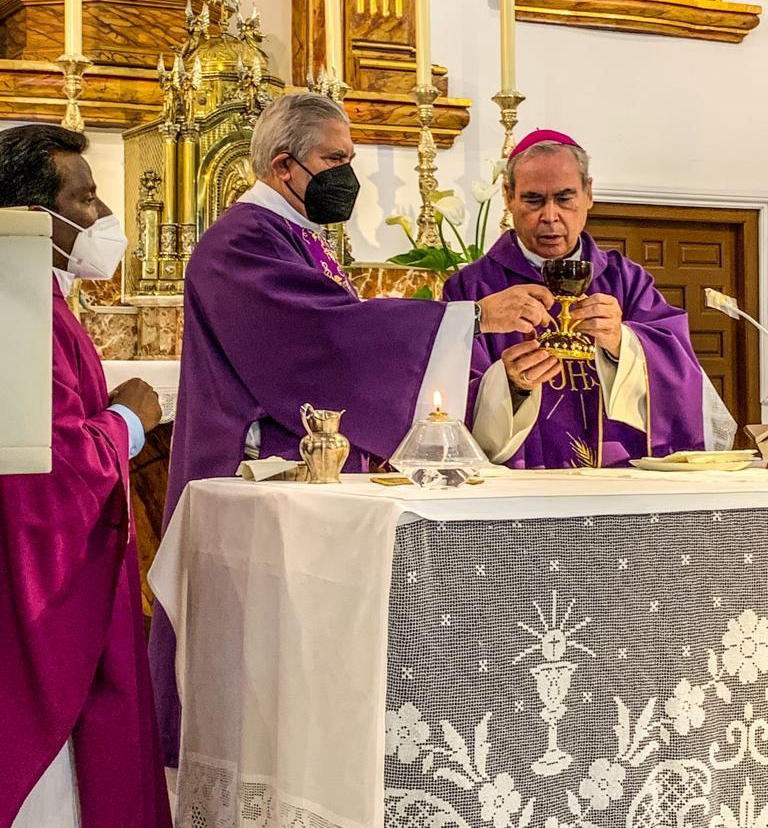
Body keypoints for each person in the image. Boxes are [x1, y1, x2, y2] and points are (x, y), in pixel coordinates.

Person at [148, 91, 556, 766]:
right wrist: (473, 317)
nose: (351, 175)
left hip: (296, 483)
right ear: (284, 166)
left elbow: (342, 339)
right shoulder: (241, 243)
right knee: (259, 677)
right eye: (336, 159)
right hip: (251, 480)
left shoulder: (294, 238)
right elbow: (325, 342)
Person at [0, 125, 171, 828]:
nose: (102, 218)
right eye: (88, 198)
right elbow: (43, 472)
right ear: (37, 217)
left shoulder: (30, 288)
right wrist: (128, 422)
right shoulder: (14, 303)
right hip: (32, 597)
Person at [443, 129, 734, 468]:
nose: (550, 215)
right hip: (520, 487)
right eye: (534, 199)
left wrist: (622, 342)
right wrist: (508, 386)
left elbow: (680, 372)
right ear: (508, 196)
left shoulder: (625, 279)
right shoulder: (472, 289)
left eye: (565, 198)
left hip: (617, 481)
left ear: (588, 194)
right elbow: (447, 398)